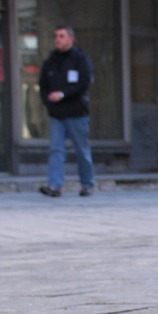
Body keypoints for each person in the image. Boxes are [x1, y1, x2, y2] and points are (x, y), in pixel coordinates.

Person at [38, 25, 95, 197]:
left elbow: (84, 82)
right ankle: (55, 186)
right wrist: (48, 102)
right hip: (57, 114)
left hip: (77, 113)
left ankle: (87, 185)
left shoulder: (80, 59)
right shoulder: (51, 61)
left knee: (82, 151)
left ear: (71, 39)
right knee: (56, 150)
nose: (58, 39)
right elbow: (43, 85)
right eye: (56, 36)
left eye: (61, 36)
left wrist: (63, 94)